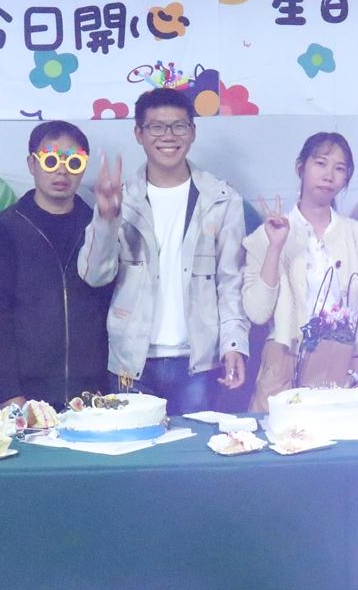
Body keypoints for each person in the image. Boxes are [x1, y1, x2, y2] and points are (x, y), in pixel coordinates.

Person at [78, 87, 250, 414]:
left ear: (193, 132)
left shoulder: (221, 199)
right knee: (136, 447)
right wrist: (106, 218)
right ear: (139, 133)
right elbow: (94, 276)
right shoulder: (122, 198)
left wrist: (233, 343)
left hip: (197, 362)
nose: (168, 136)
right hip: (132, 361)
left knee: (195, 447)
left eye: (179, 126)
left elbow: (231, 282)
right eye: (156, 127)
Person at [0, 120, 112, 409]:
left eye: (73, 162)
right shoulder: (5, 229)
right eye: (50, 160)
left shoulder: (97, 226)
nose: (62, 171)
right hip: (28, 388)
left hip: (93, 389)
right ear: (32, 164)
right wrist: (9, 392)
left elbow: (108, 306)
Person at [242, 132, 358, 411]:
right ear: (300, 167)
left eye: (339, 168)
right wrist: (275, 247)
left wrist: (355, 369)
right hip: (282, 361)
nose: (329, 175)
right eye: (320, 163)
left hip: (340, 362)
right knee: (281, 435)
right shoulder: (263, 236)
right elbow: (257, 312)